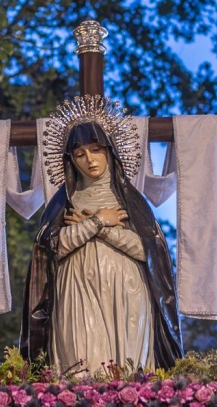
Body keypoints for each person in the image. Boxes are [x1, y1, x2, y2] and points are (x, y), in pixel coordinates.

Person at [21, 121, 182, 372]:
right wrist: (99, 220)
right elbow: (53, 248)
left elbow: (147, 252)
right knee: (82, 362)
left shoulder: (130, 201)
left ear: (109, 150)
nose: (89, 159)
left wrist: (97, 227)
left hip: (126, 291)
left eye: (96, 149)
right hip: (76, 292)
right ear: (71, 160)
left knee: (128, 368)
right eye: (79, 154)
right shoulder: (63, 202)